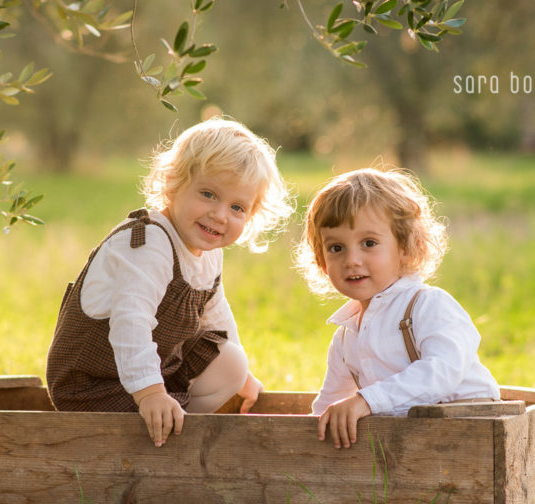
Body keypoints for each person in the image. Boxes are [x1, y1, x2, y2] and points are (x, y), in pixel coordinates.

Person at [47, 118, 293, 447]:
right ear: (172, 186)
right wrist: (150, 394)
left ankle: (176, 435)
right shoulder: (150, 243)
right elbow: (130, 321)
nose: (220, 215)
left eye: (237, 207)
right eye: (208, 194)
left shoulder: (208, 252)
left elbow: (215, 317)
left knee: (231, 363)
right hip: (94, 384)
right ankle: (160, 435)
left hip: (151, 371)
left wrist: (242, 379)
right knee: (207, 370)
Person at [295, 167, 500, 448]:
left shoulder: (427, 305)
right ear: (321, 261)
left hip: (470, 433)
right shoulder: (346, 336)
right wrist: (302, 438)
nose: (352, 260)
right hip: (410, 447)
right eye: (336, 248)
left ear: (405, 247)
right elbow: (331, 402)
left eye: (369, 243)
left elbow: (442, 372)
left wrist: (367, 400)